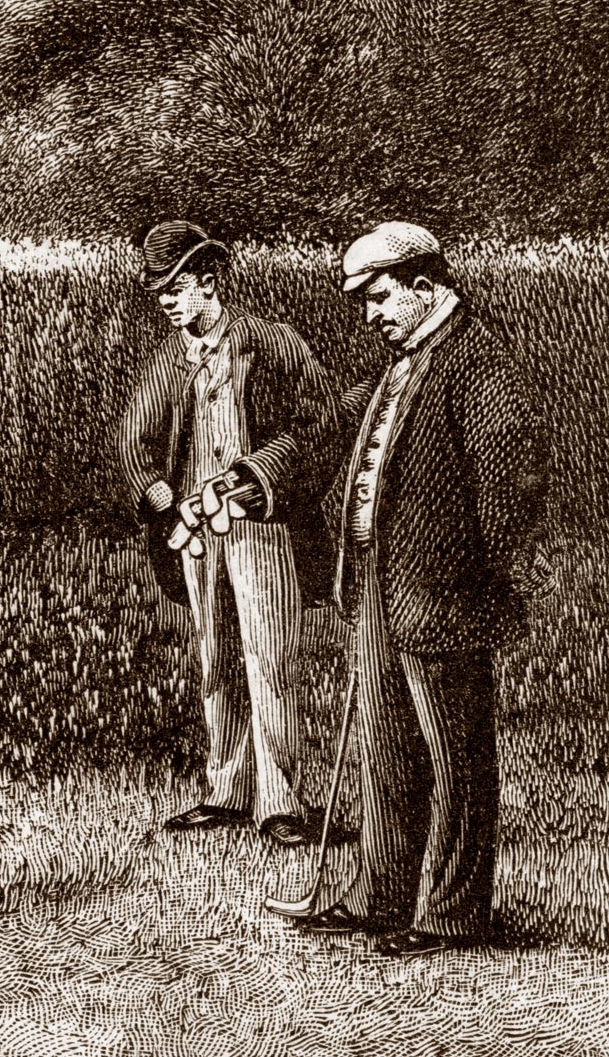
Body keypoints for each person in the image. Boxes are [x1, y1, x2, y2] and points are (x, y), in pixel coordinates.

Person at [288, 221, 549, 956]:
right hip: (377, 584)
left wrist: (494, 588)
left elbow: (512, 492)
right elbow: (340, 432)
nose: (369, 314)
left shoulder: (478, 361)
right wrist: (260, 476)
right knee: (384, 750)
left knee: (456, 760)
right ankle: (378, 897)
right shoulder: (402, 359)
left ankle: (452, 916)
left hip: (446, 597)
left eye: (377, 297)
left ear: (424, 286)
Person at [118, 220, 338, 847]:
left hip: (263, 531)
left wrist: (254, 478)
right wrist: (169, 508)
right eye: (157, 290)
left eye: (174, 287)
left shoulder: (273, 344)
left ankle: (282, 803)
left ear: (208, 283)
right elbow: (132, 446)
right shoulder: (168, 363)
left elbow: (319, 426)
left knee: (270, 660)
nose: (164, 300)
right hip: (197, 537)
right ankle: (229, 791)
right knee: (216, 659)